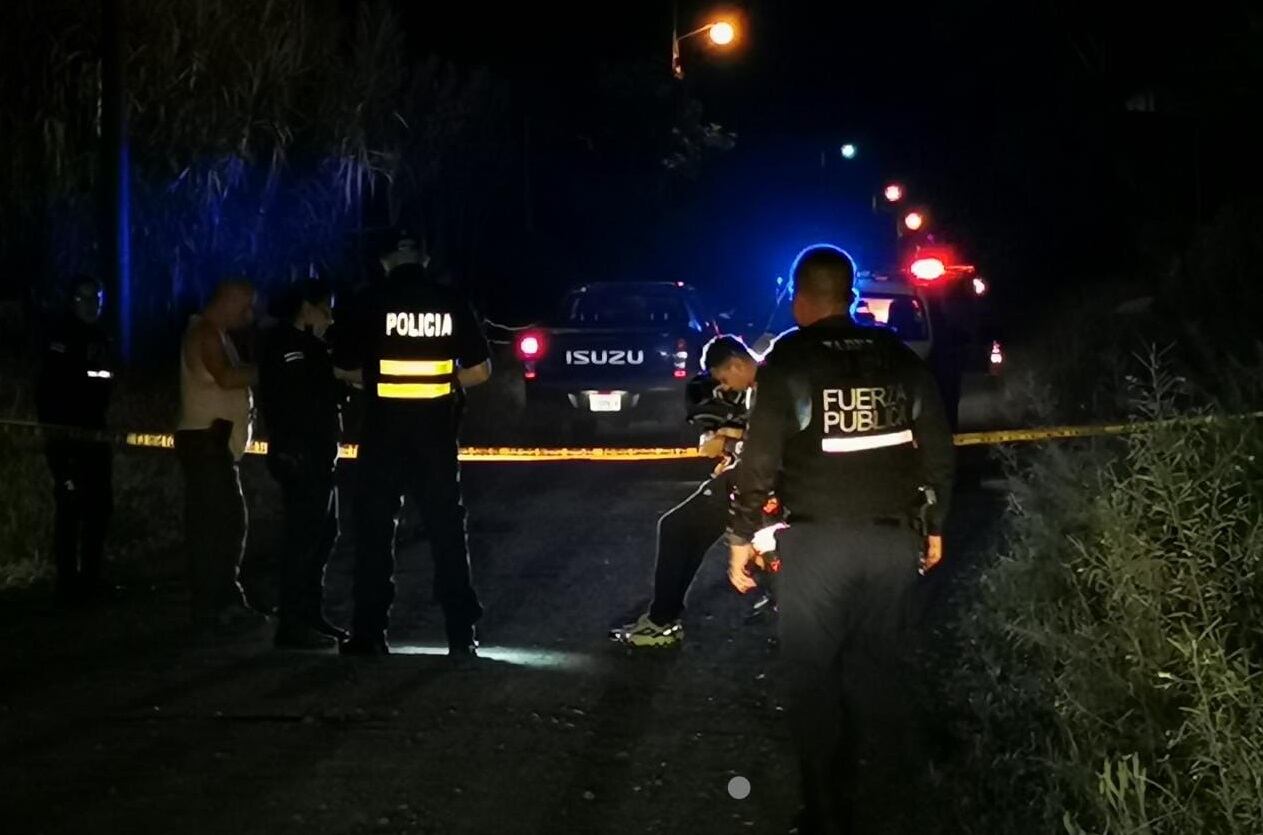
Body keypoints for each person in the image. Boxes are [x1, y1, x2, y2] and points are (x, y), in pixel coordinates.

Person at [726, 244, 955, 835]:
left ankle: (826, 815)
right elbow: (938, 450)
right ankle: (888, 804)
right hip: (892, 545)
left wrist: (741, 535)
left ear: (801, 298)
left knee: (813, 680)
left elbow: (759, 459)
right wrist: (934, 525)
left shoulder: (789, 358)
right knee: (878, 673)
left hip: (817, 548)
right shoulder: (897, 355)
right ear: (851, 296)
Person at [339, 231, 492, 657]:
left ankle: (369, 633)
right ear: (424, 260)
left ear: (384, 261)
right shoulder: (450, 301)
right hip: (435, 437)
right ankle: (461, 635)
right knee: (446, 532)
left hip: (382, 436)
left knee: (374, 532)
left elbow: (343, 366)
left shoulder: (369, 301)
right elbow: (480, 372)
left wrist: (377, 378)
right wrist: (443, 382)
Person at [610, 335, 759, 648]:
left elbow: (764, 438)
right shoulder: (768, 382)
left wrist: (726, 438)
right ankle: (665, 618)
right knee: (685, 529)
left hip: (759, 481)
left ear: (736, 365)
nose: (726, 388)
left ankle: (661, 622)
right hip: (755, 475)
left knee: (676, 527)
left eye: (723, 379)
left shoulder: (770, 384)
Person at [258, 280, 346, 649]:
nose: (330, 317)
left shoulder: (310, 345)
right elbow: (297, 401)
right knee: (303, 539)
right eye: (326, 308)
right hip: (302, 455)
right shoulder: (288, 346)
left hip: (318, 454)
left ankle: (310, 614)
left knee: (323, 534)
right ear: (306, 308)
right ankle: (292, 624)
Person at [174, 278, 263, 635]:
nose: (249, 315)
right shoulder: (206, 334)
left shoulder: (215, 333)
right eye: (245, 306)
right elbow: (225, 377)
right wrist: (271, 369)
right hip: (207, 444)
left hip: (214, 445)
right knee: (217, 526)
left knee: (223, 523)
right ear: (227, 301)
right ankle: (215, 605)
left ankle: (221, 600)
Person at [35, 276, 115, 603]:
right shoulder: (60, 337)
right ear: (72, 301)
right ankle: (67, 584)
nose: (91, 305)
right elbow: (49, 391)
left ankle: (91, 579)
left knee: (99, 507)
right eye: (83, 298)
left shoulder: (101, 337)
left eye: (96, 298)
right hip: (66, 437)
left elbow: (103, 382)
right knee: (70, 506)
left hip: (95, 434)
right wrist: (57, 436)